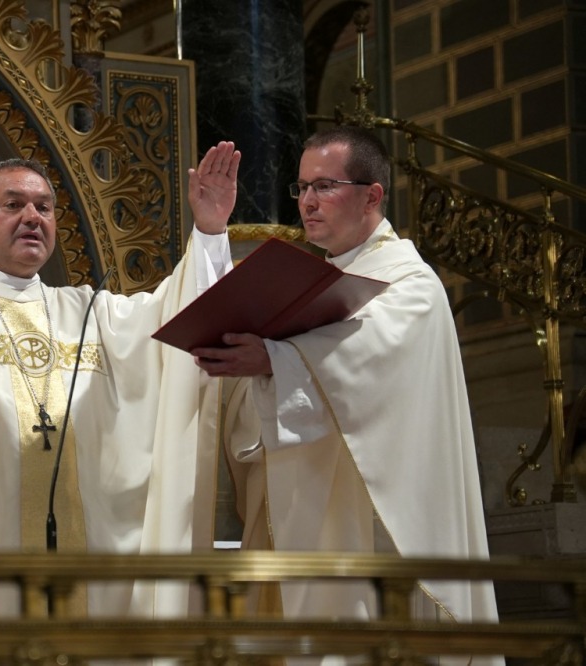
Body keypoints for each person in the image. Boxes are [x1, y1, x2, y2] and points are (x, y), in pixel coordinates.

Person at [0, 104, 240, 621]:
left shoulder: (92, 313)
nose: (33, 216)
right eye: (13, 205)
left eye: (44, 207)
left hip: (87, 559)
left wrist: (209, 231)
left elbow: (176, 327)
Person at [193, 125, 501, 664]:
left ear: (372, 195)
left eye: (325, 186)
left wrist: (275, 359)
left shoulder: (411, 283)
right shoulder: (316, 278)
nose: (307, 202)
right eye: (302, 188)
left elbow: (371, 357)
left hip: (373, 528)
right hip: (303, 515)